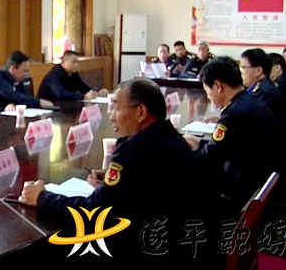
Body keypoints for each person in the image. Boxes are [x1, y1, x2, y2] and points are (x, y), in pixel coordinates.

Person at [20, 79, 215, 265]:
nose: (112, 116)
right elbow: (150, 182)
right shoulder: (169, 135)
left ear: (141, 112)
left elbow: (94, 211)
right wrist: (114, 182)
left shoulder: (135, 148)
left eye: (116, 108)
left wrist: (42, 197)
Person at [183, 57, 286, 218]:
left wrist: (180, 151)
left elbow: (208, 159)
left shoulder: (234, 114)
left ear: (218, 86)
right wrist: (200, 143)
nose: (208, 97)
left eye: (207, 91)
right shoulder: (247, 100)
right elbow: (229, 147)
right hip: (258, 180)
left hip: (243, 193)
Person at [0, 51, 53, 115]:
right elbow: (13, 95)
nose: (27, 74)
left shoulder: (18, 80)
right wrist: (39, 102)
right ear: (13, 68)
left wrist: (12, 104)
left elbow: (24, 97)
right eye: (24, 71)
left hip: (6, 118)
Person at [37, 50, 109, 101]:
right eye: (73, 62)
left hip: (64, 105)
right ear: (63, 63)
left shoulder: (73, 74)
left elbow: (83, 87)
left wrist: (98, 92)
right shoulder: (54, 75)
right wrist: (84, 96)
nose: (76, 65)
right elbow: (61, 94)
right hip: (50, 106)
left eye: (77, 62)